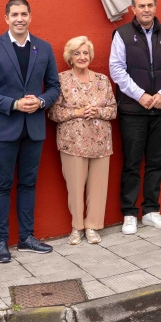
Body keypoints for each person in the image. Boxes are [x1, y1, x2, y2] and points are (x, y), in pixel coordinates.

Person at [0, 0, 61, 263]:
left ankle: (26, 238)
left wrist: (42, 101)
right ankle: (1, 242)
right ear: (6, 18)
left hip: (34, 128)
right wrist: (13, 103)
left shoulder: (44, 48)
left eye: (24, 14)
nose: (20, 19)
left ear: (30, 16)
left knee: (28, 184)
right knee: (2, 185)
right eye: (15, 14)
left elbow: (54, 87)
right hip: (3, 129)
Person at [109, 0, 161, 235]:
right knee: (131, 163)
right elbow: (117, 69)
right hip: (133, 109)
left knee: (156, 162)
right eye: (141, 6)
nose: (146, 10)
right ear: (133, 9)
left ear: (155, 7)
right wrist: (140, 95)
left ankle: (151, 211)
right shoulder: (122, 34)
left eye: (150, 5)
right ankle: (129, 213)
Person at [49, 36, 117, 245]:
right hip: (73, 143)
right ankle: (77, 227)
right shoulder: (61, 80)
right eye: (77, 53)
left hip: (100, 142)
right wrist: (77, 112)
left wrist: (97, 111)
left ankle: (93, 227)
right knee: (75, 187)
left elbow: (113, 110)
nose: (82, 57)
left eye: (85, 53)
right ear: (70, 57)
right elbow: (53, 112)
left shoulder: (102, 81)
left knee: (98, 187)